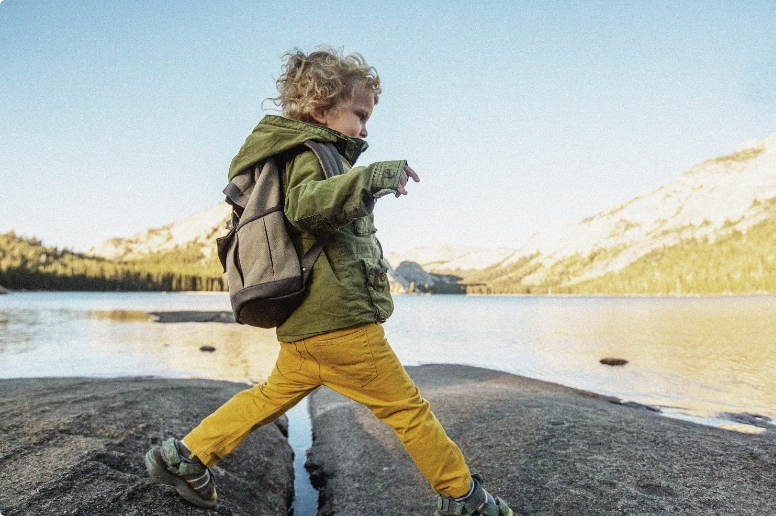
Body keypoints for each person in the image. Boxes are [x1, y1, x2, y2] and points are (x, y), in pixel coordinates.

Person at [144, 47, 513, 516]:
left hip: (306, 326)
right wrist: (371, 178)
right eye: (360, 115)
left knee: (267, 397)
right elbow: (306, 206)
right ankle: (463, 497)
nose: (365, 129)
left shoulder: (301, 155)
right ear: (320, 110)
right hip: (342, 325)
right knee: (408, 410)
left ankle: (185, 456)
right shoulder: (314, 154)